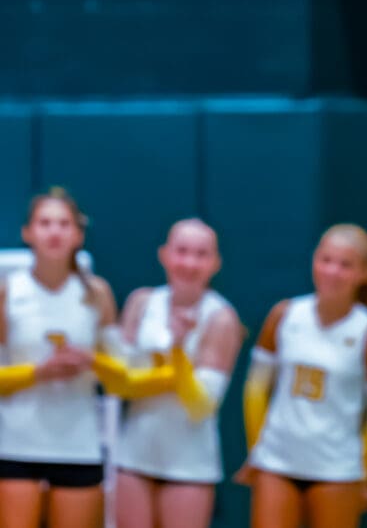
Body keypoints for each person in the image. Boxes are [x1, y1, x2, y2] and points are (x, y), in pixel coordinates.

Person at [239, 224, 367, 528]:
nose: (332, 271)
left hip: (338, 469)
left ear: (364, 273)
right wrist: (257, 451)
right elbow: (256, 389)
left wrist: (363, 471)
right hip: (276, 463)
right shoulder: (284, 315)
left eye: (345, 264)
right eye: (326, 260)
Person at [109, 218, 244, 528]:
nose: (189, 262)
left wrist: (178, 352)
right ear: (164, 254)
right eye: (182, 251)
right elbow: (118, 383)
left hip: (190, 465)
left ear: (216, 263)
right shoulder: (141, 302)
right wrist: (169, 373)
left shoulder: (222, 318)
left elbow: (202, 404)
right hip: (133, 457)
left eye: (201, 254)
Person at [0, 188, 117, 528]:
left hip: (78, 445)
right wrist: (40, 372)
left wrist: (92, 363)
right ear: (28, 232)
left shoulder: (97, 293)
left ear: (78, 234)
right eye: (45, 222)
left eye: (64, 224)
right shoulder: (8, 291)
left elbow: (121, 374)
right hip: (15, 444)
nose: (54, 231)